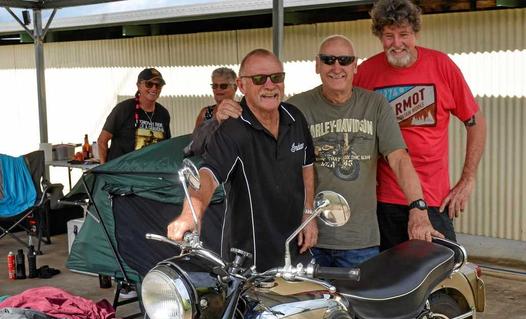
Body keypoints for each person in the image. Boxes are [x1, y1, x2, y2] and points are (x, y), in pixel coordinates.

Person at [285, 35, 441, 268]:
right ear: (317, 64)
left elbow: (398, 158)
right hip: (307, 236)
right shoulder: (296, 107)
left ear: (355, 65)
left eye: (344, 60)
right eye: (328, 60)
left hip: (359, 240)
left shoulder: (375, 105)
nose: (336, 67)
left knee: (362, 304)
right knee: (309, 304)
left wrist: (418, 208)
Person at [354, 0, 487, 249]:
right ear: (379, 36)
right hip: (383, 202)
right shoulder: (365, 73)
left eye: (403, 34)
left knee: (440, 278)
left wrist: (467, 179)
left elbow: (476, 121)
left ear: (414, 33)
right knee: (389, 281)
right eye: (388, 36)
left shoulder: (441, 66)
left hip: (434, 199)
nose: (397, 43)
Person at [168, 49, 317, 271]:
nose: (269, 85)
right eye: (259, 79)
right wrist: (190, 215)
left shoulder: (295, 117)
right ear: (241, 85)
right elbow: (209, 174)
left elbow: (307, 167)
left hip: (297, 249)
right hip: (249, 258)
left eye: (277, 77)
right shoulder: (232, 129)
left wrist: (309, 215)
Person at [97, 68, 171, 164]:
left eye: (158, 85)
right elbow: (102, 141)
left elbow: (166, 147)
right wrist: (105, 170)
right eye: (149, 84)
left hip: (150, 174)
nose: (154, 88)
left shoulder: (163, 114)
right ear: (138, 85)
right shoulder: (123, 109)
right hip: (123, 175)